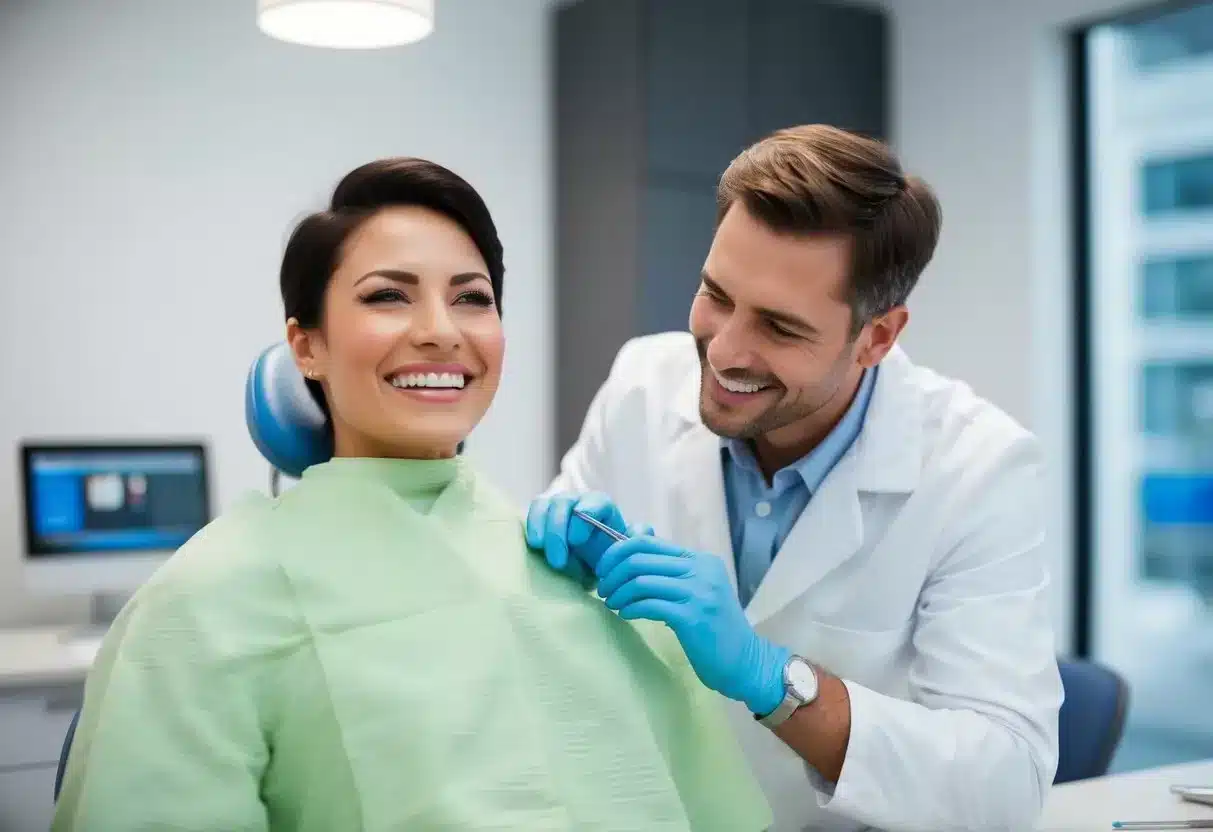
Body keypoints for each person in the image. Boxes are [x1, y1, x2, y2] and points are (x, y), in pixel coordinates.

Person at [53, 158, 772, 831]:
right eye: (387, 296)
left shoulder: (584, 573)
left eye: (472, 299)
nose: (439, 331)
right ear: (306, 347)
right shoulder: (208, 599)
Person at [528, 124, 1064, 832]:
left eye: (779, 329)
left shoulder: (978, 468)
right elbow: (550, 642)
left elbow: (1005, 782)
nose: (722, 351)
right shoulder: (641, 382)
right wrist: (553, 569)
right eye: (716, 295)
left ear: (876, 336)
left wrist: (769, 677)